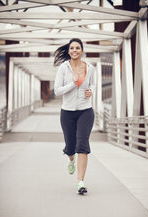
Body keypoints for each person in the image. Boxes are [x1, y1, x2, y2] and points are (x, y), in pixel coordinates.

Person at [54, 38, 95, 195]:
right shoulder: (63, 68)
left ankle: (80, 182)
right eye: (72, 48)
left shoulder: (90, 68)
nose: (75, 50)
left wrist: (91, 92)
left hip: (85, 111)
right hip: (67, 113)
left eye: (78, 48)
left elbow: (93, 85)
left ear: (82, 50)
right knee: (71, 147)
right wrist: (73, 83)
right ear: (69, 51)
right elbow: (57, 90)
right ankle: (71, 159)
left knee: (82, 145)